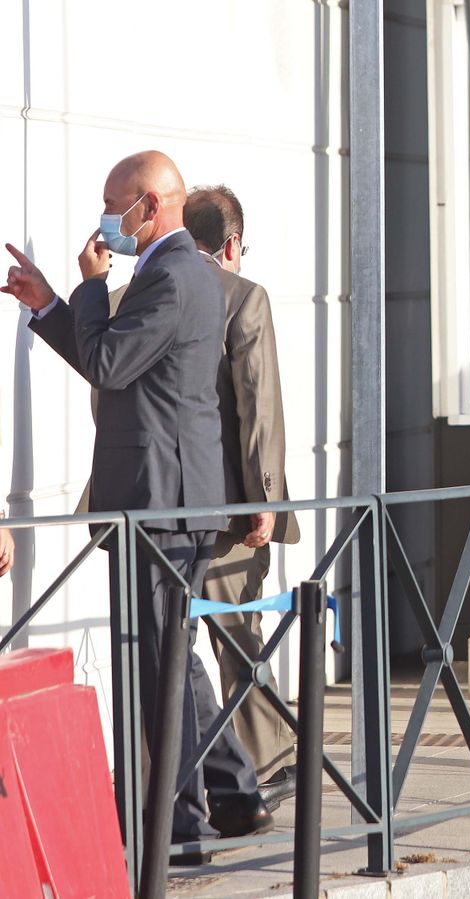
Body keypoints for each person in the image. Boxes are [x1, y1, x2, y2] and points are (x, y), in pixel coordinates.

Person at [2, 151, 271, 858]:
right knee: (171, 663)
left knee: (162, 667)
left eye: (113, 203)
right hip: (160, 499)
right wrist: (52, 306)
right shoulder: (168, 271)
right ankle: (231, 793)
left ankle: (182, 823)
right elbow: (116, 360)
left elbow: (109, 363)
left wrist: (89, 288)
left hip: (162, 503)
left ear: (150, 207)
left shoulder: (176, 275)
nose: (104, 218)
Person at [185, 185, 301, 806]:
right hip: (230, 508)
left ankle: (182, 770)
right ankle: (267, 762)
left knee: (168, 645)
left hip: (161, 504)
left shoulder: (133, 297)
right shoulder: (242, 296)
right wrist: (266, 498)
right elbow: (259, 404)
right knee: (237, 632)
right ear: (231, 244)